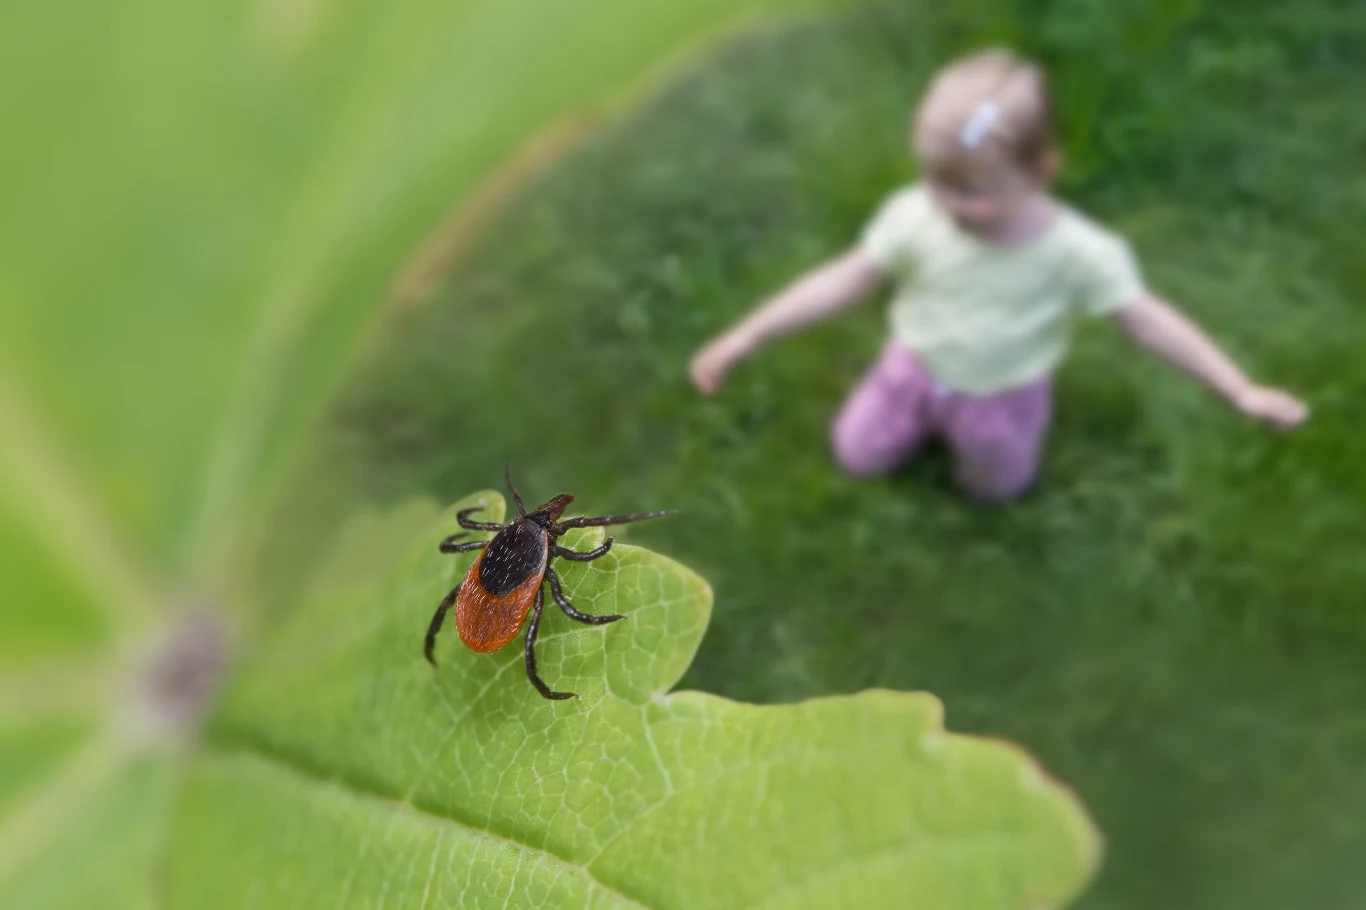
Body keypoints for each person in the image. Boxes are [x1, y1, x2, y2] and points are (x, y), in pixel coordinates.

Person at [688, 47, 1309, 501]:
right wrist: (749, 335)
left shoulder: (1080, 253)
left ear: (1042, 170)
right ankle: (906, 426)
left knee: (995, 488)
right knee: (856, 456)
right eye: (938, 182)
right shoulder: (915, 217)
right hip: (911, 370)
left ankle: (984, 466)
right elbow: (844, 279)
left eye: (973, 191)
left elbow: (1149, 322)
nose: (950, 204)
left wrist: (1238, 389)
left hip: (1004, 393)